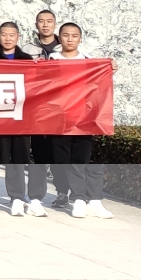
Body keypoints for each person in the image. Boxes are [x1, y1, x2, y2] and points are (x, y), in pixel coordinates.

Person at [49, 23, 114, 220]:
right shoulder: (51, 61)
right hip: (59, 120)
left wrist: (109, 69)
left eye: (74, 35)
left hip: (84, 119)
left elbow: (99, 85)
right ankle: (72, 196)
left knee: (82, 160)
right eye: (66, 35)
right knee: (62, 162)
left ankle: (86, 199)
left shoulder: (89, 62)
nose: (70, 39)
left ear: (80, 39)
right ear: (59, 38)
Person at [22, 9, 61, 190]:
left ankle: (62, 192)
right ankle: (37, 195)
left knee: (58, 152)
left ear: (55, 24)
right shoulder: (27, 49)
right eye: (41, 21)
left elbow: (86, 68)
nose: (45, 24)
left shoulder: (65, 48)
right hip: (36, 107)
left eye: (49, 21)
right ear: (36, 24)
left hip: (60, 107)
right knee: (39, 152)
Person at [0, 22, 33, 166]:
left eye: (12, 35)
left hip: (20, 116)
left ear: (18, 37)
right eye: (4, 35)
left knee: (21, 158)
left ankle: (18, 183)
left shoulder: (26, 60)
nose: (8, 39)